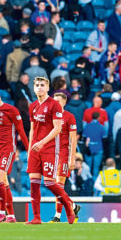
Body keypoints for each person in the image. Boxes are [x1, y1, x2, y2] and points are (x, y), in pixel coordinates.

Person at [26, 77, 76, 224]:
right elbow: (32, 129)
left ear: (47, 88)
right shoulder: (33, 106)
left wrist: (41, 143)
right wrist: (30, 148)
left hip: (49, 149)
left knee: (49, 182)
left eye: (42, 85)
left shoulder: (54, 105)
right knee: (34, 182)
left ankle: (68, 205)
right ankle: (36, 217)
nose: (39, 87)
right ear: (34, 88)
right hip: (35, 149)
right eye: (37, 85)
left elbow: (57, 128)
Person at [0, 89, 29, 222]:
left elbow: (21, 131)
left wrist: (29, 151)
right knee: (4, 182)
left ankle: (1, 212)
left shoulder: (12, 111)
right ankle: (11, 216)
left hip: (8, 150)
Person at [49, 93, 81, 222]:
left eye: (57, 101)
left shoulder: (69, 117)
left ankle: (57, 216)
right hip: (51, 154)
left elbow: (73, 140)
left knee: (59, 186)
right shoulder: (49, 117)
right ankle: (72, 205)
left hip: (63, 154)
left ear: (63, 103)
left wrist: (72, 159)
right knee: (53, 185)